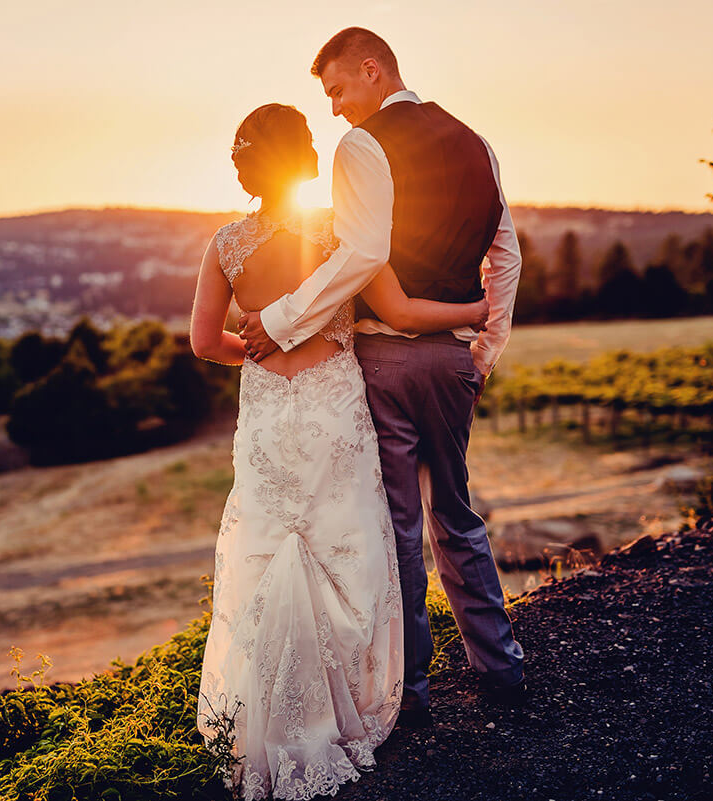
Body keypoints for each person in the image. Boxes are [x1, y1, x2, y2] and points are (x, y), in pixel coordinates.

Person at [191, 102, 490, 801]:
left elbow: (206, 342)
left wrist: (257, 351)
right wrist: (477, 312)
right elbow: (407, 313)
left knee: (269, 553)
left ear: (244, 165)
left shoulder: (225, 245)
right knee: (344, 548)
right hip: (333, 406)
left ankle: (268, 720)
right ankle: (349, 708)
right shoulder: (337, 235)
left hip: (267, 414)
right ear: (307, 161)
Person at [238, 27, 527, 729]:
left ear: (372, 71)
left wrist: (281, 318)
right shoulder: (477, 143)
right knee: (457, 513)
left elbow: (364, 250)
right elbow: (507, 253)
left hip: (388, 360)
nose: (335, 108)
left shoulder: (362, 146)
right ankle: (502, 665)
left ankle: (412, 693)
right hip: (453, 362)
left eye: (337, 89)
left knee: (399, 526)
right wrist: (483, 349)